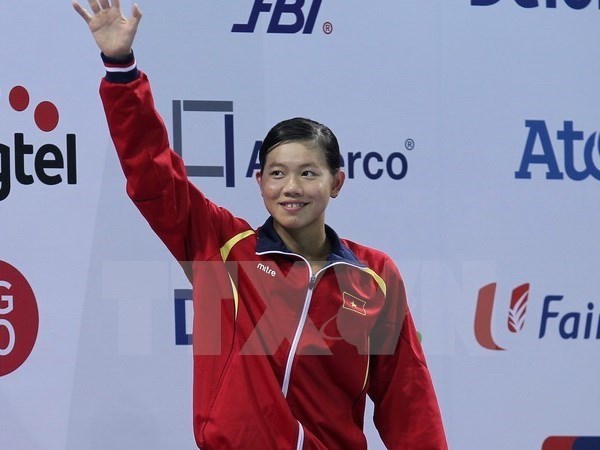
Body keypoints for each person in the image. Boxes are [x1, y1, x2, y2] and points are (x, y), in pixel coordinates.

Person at [73, 1, 448, 449]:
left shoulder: (374, 276)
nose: (291, 187)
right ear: (260, 184)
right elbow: (153, 173)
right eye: (277, 173)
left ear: (337, 183)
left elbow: (408, 398)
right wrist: (121, 69)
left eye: (309, 173)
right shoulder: (222, 247)